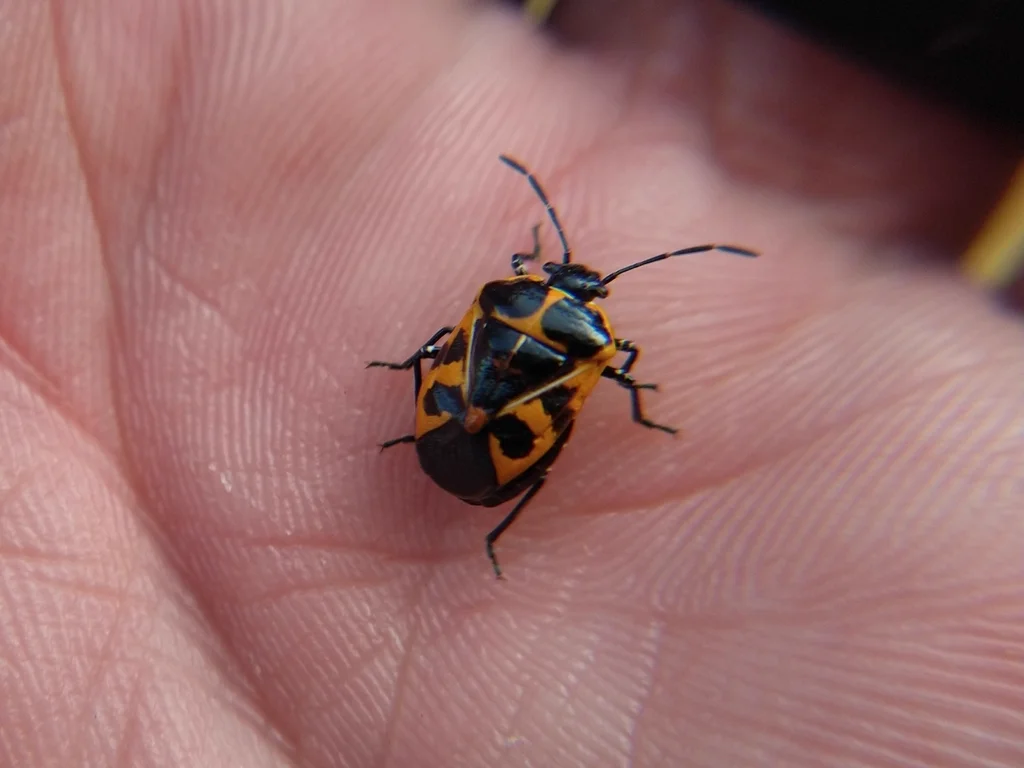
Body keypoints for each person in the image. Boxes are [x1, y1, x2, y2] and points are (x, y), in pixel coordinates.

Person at [2, 1, 1021, 765]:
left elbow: (456, 338)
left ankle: (463, 487)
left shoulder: (506, 302)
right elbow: (599, 377)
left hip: (450, 420)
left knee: (456, 356)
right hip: (488, 466)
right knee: (520, 410)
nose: (563, 280)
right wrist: (643, 408)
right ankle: (491, 528)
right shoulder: (592, 350)